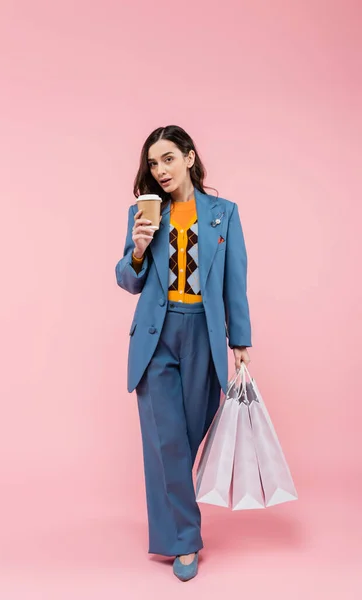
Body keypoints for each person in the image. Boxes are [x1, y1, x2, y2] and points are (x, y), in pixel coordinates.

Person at [115, 125, 252, 581]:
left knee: (189, 438)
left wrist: (241, 342)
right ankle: (184, 540)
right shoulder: (143, 212)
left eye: (169, 159)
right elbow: (127, 279)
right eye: (154, 163)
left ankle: (175, 524)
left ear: (190, 158)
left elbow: (236, 281)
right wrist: (137, 249)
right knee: (165, 441)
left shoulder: (224, 214)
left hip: (203, 335)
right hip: (156, 335)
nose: (161, 170)